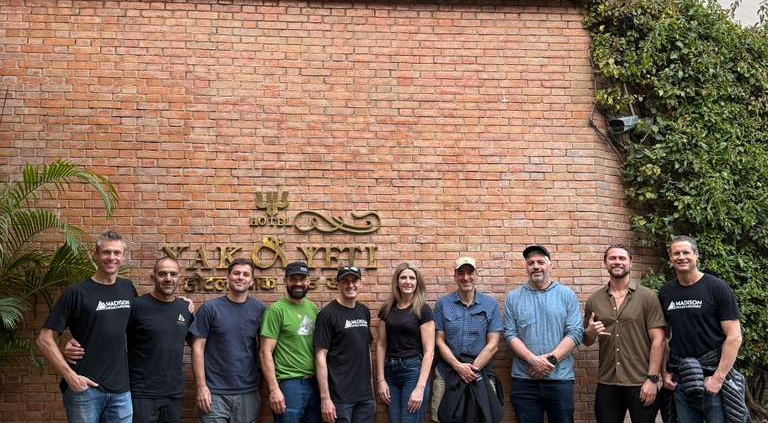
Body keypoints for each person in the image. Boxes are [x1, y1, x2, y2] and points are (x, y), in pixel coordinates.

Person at [63, 257, 195, 423]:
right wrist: (73, 342)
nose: (168, 278)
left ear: (179, 277)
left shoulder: (184, 308)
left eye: (173, 274)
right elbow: (108, 330)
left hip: (174, 392)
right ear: (153, 277)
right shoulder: (136, 306)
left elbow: (196, 343)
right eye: (162, 274)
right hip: (141, 393)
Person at [36, 230, 137, 423]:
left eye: (117, 253)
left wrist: (178, 302)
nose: (112, 257)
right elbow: (44, 339)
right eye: (106, 252)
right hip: (85, 390)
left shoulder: (128, 288)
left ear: (123, 257)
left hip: (121, 392)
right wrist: (71, 377)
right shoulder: (77, 292)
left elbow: (144, 320)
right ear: (96, 254)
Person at [659, 236, 744, 423]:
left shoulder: (717, 288)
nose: (681, 257)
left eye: (686, 252)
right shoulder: (666, 292)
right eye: (676, 253)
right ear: (670, 258)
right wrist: (664, 373)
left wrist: (718, 378)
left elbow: (734, 336)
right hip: (682, 378)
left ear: (696, 255)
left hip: (711, 377)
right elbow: (664, 337)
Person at [583, 245, 665, 423]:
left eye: (622, 258)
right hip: (608, 382)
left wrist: (652, 379)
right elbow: (588, 340)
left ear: (630, 262)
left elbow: (658, 340)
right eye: (612, 258)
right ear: (605, 263)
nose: (617, 262)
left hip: (641, 381)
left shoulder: (647, 297)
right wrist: (589, 332)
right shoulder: (594, 300)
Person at [503, 244, 583, 423]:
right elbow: (510, 334)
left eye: (540, 262)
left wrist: (550, 361)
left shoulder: (567, 295)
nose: (536, 266)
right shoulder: (513, 298)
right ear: (526, 267)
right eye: (530, 263)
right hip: (524, 381)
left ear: (550, 265)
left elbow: (576, 332)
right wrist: (533, 360)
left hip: (560, 379)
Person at [190, 257, 267, 423]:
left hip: (248, 392)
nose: (240, 277)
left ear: (251, 281)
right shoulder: (210, 309)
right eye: (236, 273)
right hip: (214, 392)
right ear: (228, 277)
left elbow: (264, 350)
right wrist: (201, 387)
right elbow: (197, 349)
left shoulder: (259, 309)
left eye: (246, 274)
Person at [432, 256, 503, 423]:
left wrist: (472, 370)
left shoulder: (490, 304)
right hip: (447, 373)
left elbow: (493, 344)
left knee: (485, 417)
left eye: (470, 272)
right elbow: (439, 341)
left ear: (476, 275)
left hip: (480, 373)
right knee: (442, 418)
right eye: (461, 273)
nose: (465, 277)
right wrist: (458, 367)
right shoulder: (443, 303)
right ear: (455, 276)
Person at [260, 261, 321, 423]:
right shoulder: (276, 310)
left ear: (308, 281)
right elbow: (265, 352)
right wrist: (274, 389)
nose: (298, 283)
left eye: (302, 279)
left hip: (315, 382)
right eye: (293, 279)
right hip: (290, 384)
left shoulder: (313, 308)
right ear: (285, 281)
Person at [314, 265, 375, 423]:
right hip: (340, 398)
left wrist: (372, 390)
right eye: (345, 281)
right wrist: (325, 398)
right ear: (338, 285)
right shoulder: (327, 314)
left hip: (365, 397)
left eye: (354, 281)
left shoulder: (364, 311)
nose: (350, 285)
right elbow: (320, 356)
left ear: (360, 283)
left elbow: (366, 349)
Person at [375, 263, 435, 423]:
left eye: (411, 278)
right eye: (403, 277)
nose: (407, 281)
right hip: (391, 373)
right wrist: (381, 380)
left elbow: (430, 351)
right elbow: (380, 345)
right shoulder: (387, 309)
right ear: (397, 282)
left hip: (413, 371)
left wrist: (420, 388)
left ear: (417, 283)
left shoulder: (423, 309)